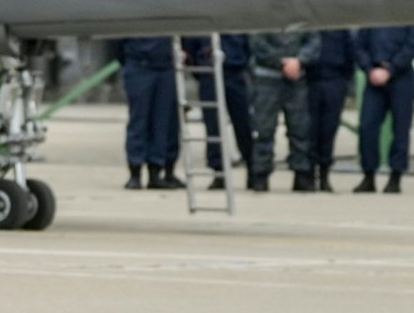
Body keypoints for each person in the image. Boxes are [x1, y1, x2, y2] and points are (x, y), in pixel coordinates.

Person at [352, 24, 414, 193]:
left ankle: (396, 176)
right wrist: (369, 69)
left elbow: (412, 46)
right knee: (367, 126)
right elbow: (358, 45)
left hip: (401, 78)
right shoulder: (375, 14)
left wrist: (391, 69)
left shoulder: (412, 16)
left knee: (400, 128)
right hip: (374, 77)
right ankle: (368, 175)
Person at [248, 30, 321, 192]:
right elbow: (257, 43)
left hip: (296, 79)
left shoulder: (302, 15)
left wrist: (300, 61)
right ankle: (261, 174)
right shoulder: (262, 12)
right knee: (263, 129)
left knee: (300, 129)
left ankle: (302, 173)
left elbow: (314, 41)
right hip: (266, 79)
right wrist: (282, 63)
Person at [181, 34, 253, 191]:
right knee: (213, 126)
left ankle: (252, 167)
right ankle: (218, 171)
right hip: (209, 74)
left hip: (235, 72)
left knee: (243, 123)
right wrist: (201, 70)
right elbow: (190, 46)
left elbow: (248, 44)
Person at [119, 37, 182, 190]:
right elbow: (117, 42)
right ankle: (135, 172)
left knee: (163, 123)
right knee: (138, 121)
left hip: (165, 66)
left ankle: (156, 171)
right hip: (139, 64)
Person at [307, 30, 355, 192]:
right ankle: (309, 174)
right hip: (310, 81)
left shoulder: (340, 29)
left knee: (328, 130)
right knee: (310, 130)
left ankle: (324, 174)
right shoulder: (309, 27)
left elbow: (350, 55)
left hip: (335, 80)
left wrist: (344, 81)